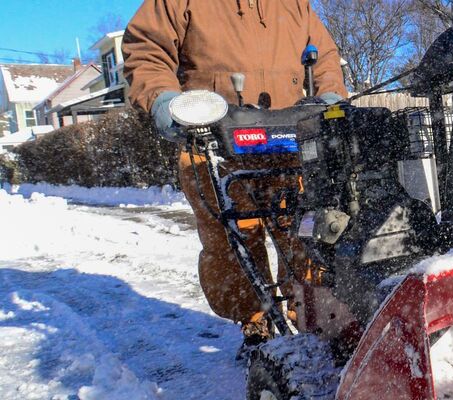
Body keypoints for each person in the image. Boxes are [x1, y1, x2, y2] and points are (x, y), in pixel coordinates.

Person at [122, 0, 346, 345]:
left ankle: (307, 314)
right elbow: (147, 50)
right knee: (231, 242)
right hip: (215, 139)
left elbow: (326, 56)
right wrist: (164, 100)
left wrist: (329, 95)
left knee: (307, 230)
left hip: (288, 135)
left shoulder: (295, 5)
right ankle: (255, 324)